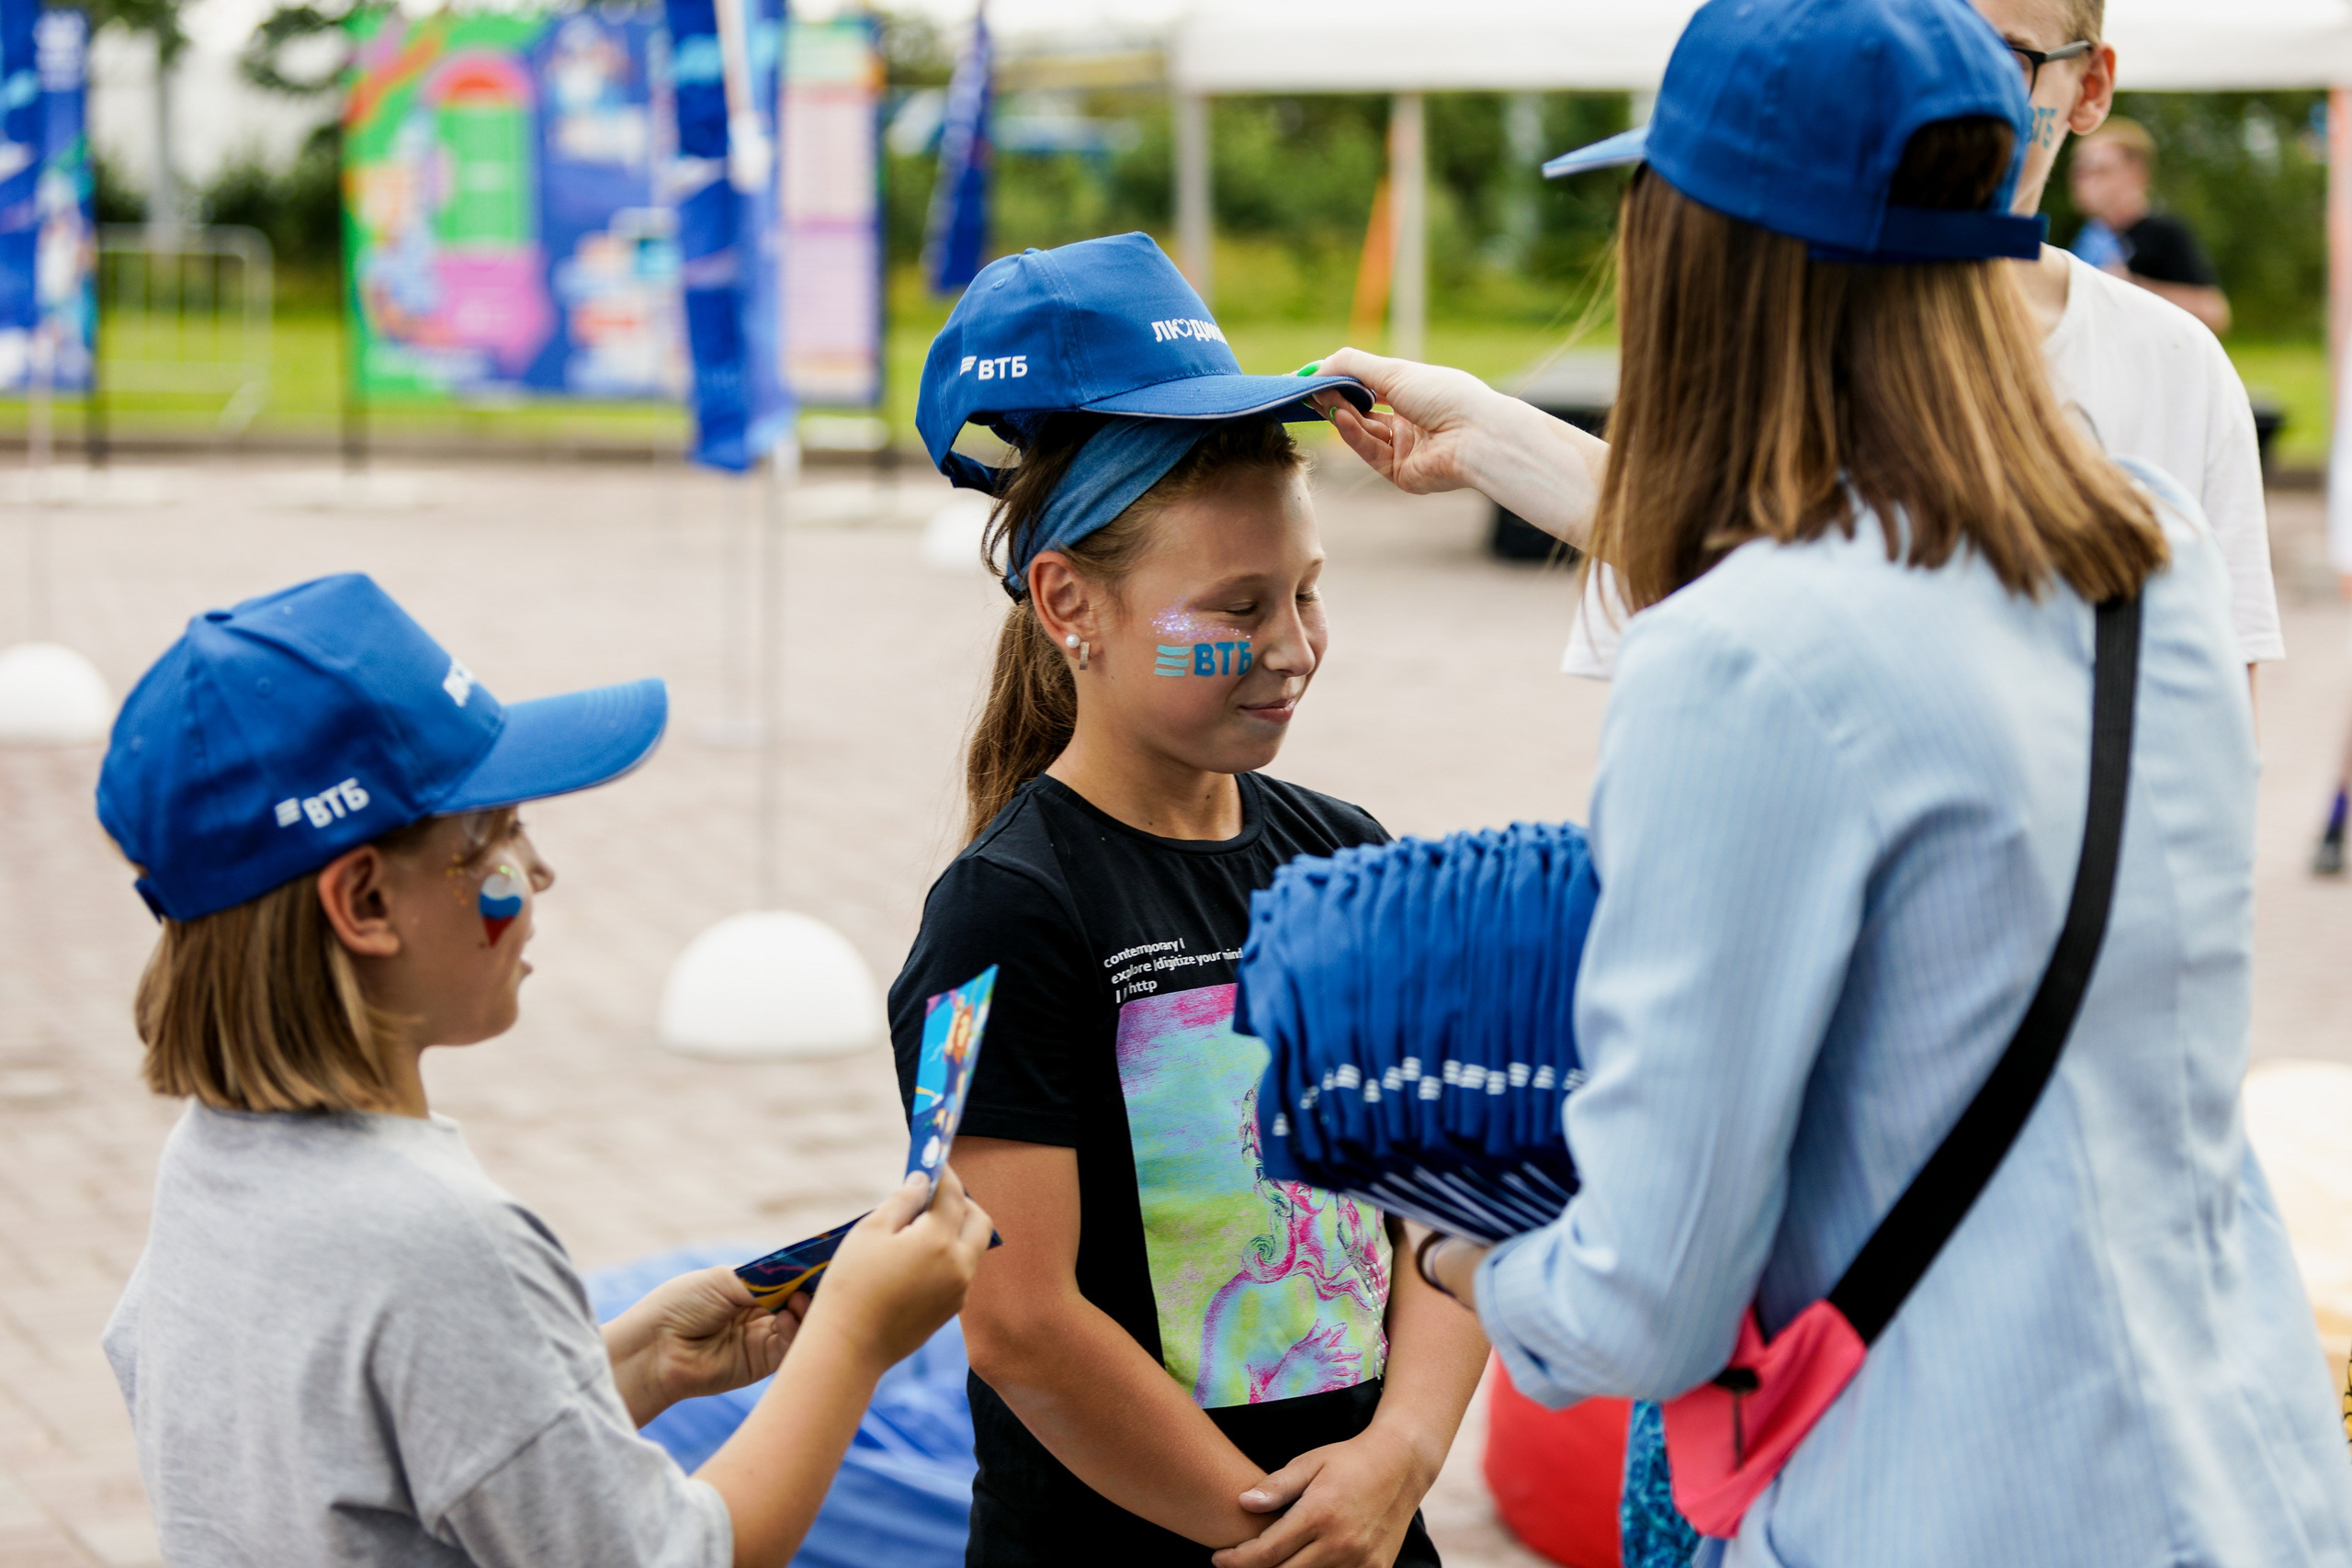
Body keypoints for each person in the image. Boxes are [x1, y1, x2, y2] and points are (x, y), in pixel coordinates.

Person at [1316, 0, 2352, 1562]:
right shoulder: (2150, 541)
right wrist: (1503, 444)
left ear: (1717, 255)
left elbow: (1647, 1299)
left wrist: (1461, 1261)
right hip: (2233, 1462)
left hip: (1941, 1493)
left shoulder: (1736, 661)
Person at [95, 573, 993, 1568]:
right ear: (365, 904)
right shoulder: (441, 1242)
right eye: (498, 840)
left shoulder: (212, 1168)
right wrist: (853, 1339)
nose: (541, 871)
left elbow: (378, 1459)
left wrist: (641, 1360)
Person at [893, 232, 1488, 1568]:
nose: (1290, 647)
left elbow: (1448, 1204)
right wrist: (1282, 1532)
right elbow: (1023, 1318)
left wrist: (1395, 1461)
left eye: (1307, 593)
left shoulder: (1352, 856)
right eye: (1235, 606)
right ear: (1070, 603)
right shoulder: (1005, 912)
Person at [1559, 0, 2284, 694]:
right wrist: (1489, 437)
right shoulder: (1755, 346)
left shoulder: (2173, 369)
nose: (1924, 86)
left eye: (1992, 56)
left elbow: (2213, 730)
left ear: (2089, 87)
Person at [2070, 117, 2233, 335]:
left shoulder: (2164, 233)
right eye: (2079, 171)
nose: (2085, 182)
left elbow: (2215, 313)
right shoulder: (2089, 236)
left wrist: (2131, 288)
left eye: (2099, 170)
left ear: (2136, 173)